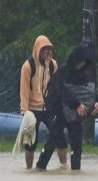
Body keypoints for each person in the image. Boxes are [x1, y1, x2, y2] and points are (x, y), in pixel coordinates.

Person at [35, 45, 98, 171]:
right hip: (60, 113)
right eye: (80, 62)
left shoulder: (84, 75)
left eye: (84, 63)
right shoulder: (63, 71)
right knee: (52, 141)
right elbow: (60, 91)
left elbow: (89, 93)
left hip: (76, 117)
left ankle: (76, 171)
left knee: (76, 146)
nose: (81, 65)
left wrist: (97, 102)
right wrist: (76, 104)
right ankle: (40, 167)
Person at [20, 35, 67, 169]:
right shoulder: (28, 66)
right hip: (32, 109)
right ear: (37, 49)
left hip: (49, 108)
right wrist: (24, 112)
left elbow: (58, 87)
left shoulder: (53, 65)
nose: (46, 51)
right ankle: (29, 169)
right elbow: (23, 90)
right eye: (43, 49)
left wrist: (59, 106)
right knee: (30, 142)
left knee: (60, 136)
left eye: (48, 49)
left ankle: (64, 166)